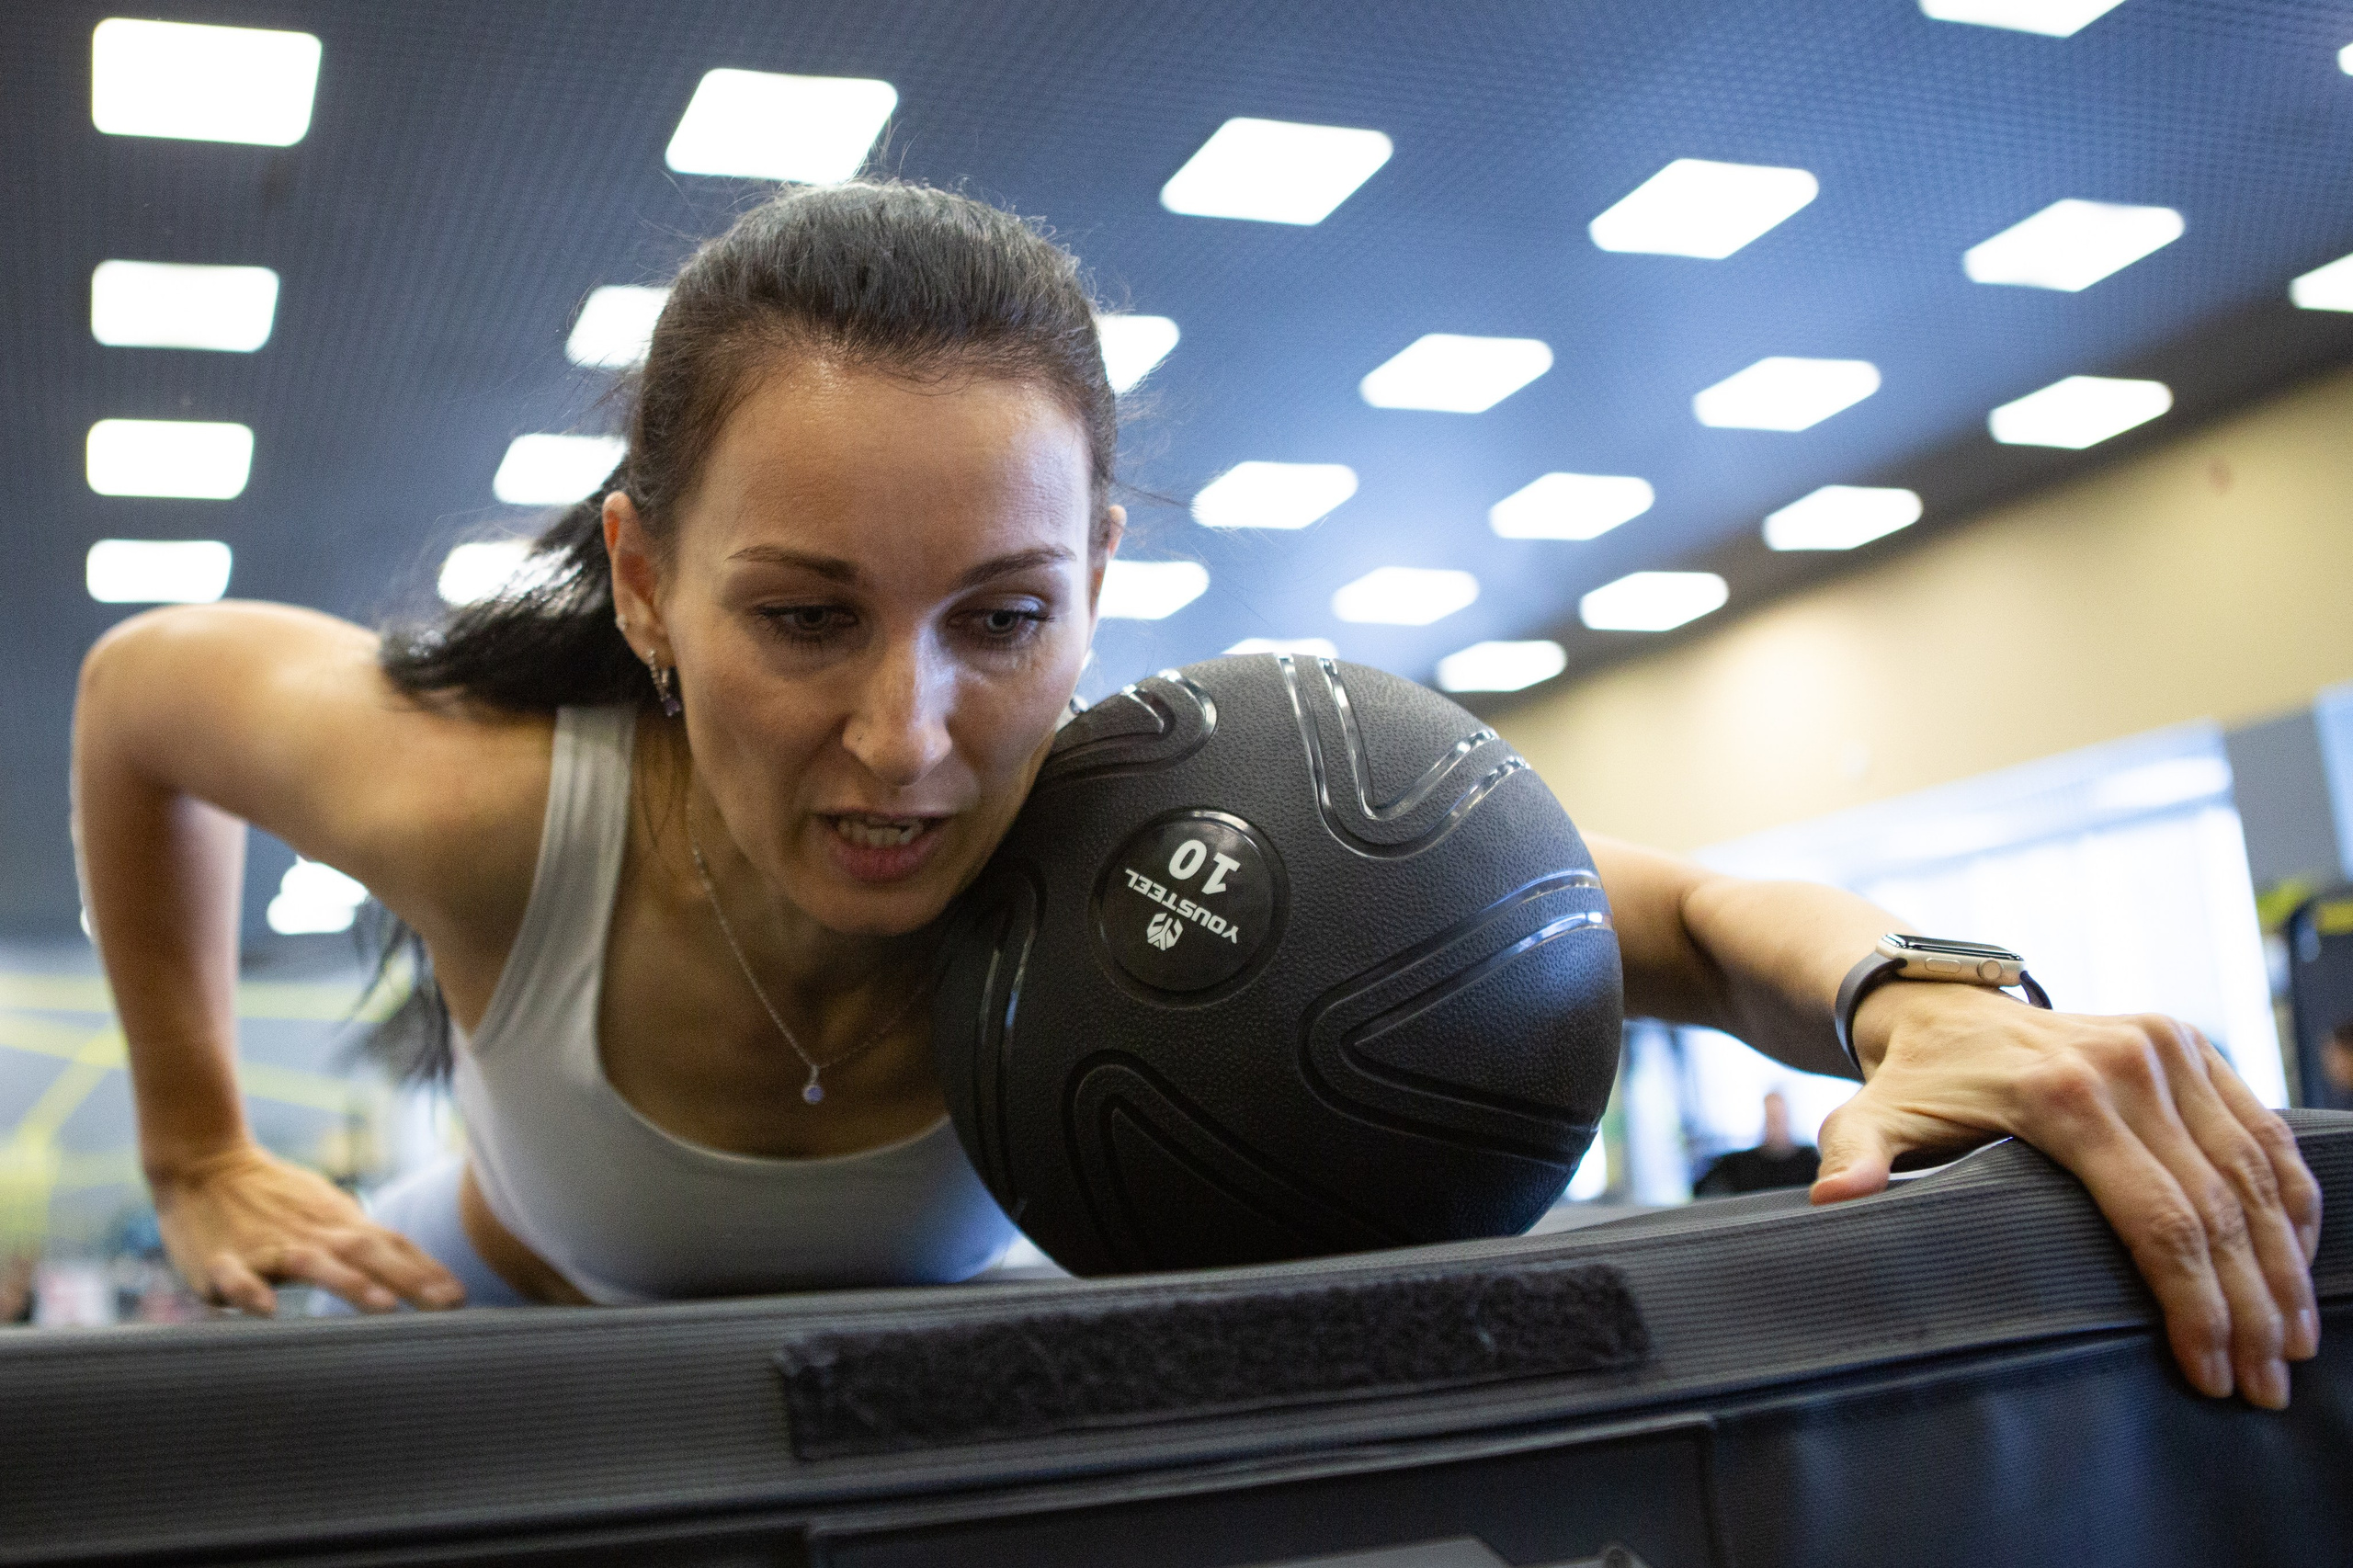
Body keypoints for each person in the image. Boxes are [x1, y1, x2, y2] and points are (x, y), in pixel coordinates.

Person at [72, 183, 2320, 1407]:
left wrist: (1922, 989)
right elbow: (144, 690)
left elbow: (1660, 916)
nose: (907, 741)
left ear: (1100, 580)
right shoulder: (486, 807)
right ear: (645, 583)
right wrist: (195, 1141)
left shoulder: (1136, 839)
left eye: (999, 614)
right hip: (496, 1317)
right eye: (803, 616)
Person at [1695, 1090, 1821, 1198]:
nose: (1775, 1126)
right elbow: (1701, 1189)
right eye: (1770, 1119)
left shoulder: (1811, 1159)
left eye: (1778, 1119)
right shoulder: (1739, 1163)